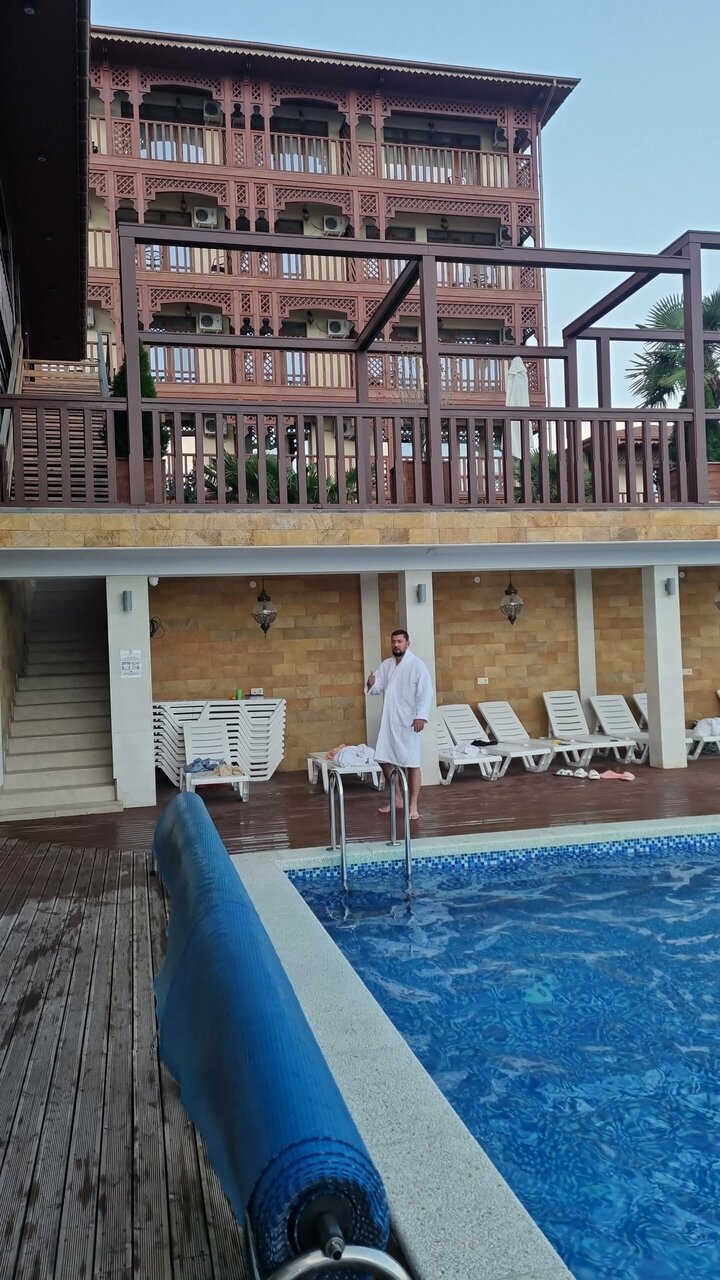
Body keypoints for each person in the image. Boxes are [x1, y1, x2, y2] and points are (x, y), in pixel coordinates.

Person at [366, 629, 433, 820]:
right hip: (390, 721)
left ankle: (413, 805)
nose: (396, 645)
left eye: (400, 641)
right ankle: (397, 798)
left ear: (407, 644)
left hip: (410, 722)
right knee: (383, 758)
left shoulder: (417, 666)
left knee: (412, 763)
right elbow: (376, 688)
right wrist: (371, 683)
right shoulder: (386, 665)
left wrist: (421, 716)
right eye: (393, 641)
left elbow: (426, 693)